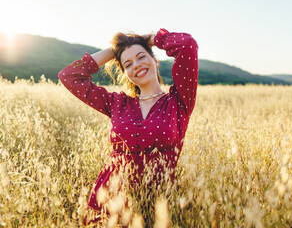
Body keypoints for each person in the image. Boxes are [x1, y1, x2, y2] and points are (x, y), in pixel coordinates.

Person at [58, 28, 198, 223]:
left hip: (155, 205)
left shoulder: (179, 102)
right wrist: (114, 51)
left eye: (142, 57)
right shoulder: (117, 104)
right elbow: (69, 76)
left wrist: (150, 38)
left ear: (155, 60)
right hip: (109, 200)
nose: (137, 65)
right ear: (126, 74)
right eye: (128, 64)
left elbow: (187, 45)